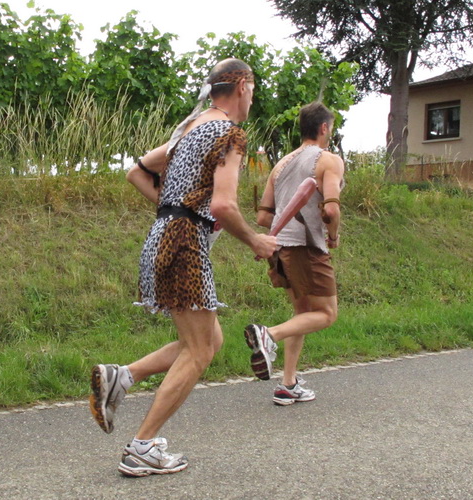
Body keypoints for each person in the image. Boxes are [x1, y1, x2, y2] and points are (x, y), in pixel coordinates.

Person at [89, 58, 277, 477]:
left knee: (209, 340)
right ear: (242, 86)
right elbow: (224, 205)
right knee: (199, 350)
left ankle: (123, 377)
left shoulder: (190, 128)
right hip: (185, 244)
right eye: (253, 90)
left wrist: (175, 210)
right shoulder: (230, 133)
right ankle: (142, 447)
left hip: (162, 237)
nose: (252, 98)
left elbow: (136, 173)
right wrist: (255, 240)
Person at [245, 101, 344, 406]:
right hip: (306, 247)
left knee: (303, 314)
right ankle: (269, 335)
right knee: (326, 314)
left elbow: (264, 217)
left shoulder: (280, 165)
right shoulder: (329, 160)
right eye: (330, 128)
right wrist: (333, 235)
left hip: (279, 249)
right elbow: (331, 209)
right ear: (324, 128)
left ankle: (288, 384)